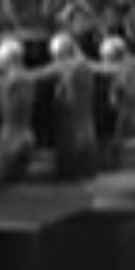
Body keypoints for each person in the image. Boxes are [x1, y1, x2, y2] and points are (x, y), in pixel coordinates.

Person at [45, 32, 101, 181]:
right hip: (87, 128)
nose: (54, 60)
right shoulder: (85, 65)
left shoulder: (67, 65)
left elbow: (38, 75)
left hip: (71, 127)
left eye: (55, 56)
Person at [0, 37, 38, 183]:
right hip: (27, 136)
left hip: (10, 139)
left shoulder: (8, 81)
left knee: (5, 183)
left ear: (6, 59)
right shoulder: (29, 78)